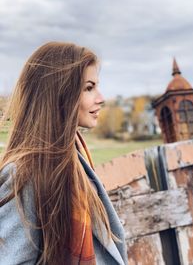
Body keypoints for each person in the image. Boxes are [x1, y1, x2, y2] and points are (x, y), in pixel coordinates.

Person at [0, 42, 128, 265]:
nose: (101, 98)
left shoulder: (74, 158)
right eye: (89, 88)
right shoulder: (25, 173)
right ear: (60, 93)